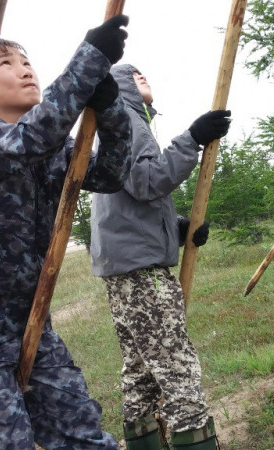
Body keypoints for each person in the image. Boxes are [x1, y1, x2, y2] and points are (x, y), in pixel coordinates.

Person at [0, 15, 132, 449]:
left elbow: (109, 175)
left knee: (80, 432)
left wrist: (109, 110)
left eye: (27, 60)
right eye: (5, 62)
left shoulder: (48, 147)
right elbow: (26, 142)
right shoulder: (8, 141)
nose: (25, 69)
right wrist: (89, 61)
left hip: (31, 321)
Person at [90, 64, 231, 449]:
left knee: (140, 373)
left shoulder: (117, 125)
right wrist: (193, 138)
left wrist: (179, 229)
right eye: (133, 74)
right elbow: (149, 181)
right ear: (119, 86)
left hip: (124, 268)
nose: (143, 76)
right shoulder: (126, 121)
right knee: (177, 369)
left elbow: (128, 202)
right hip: (141, 272)